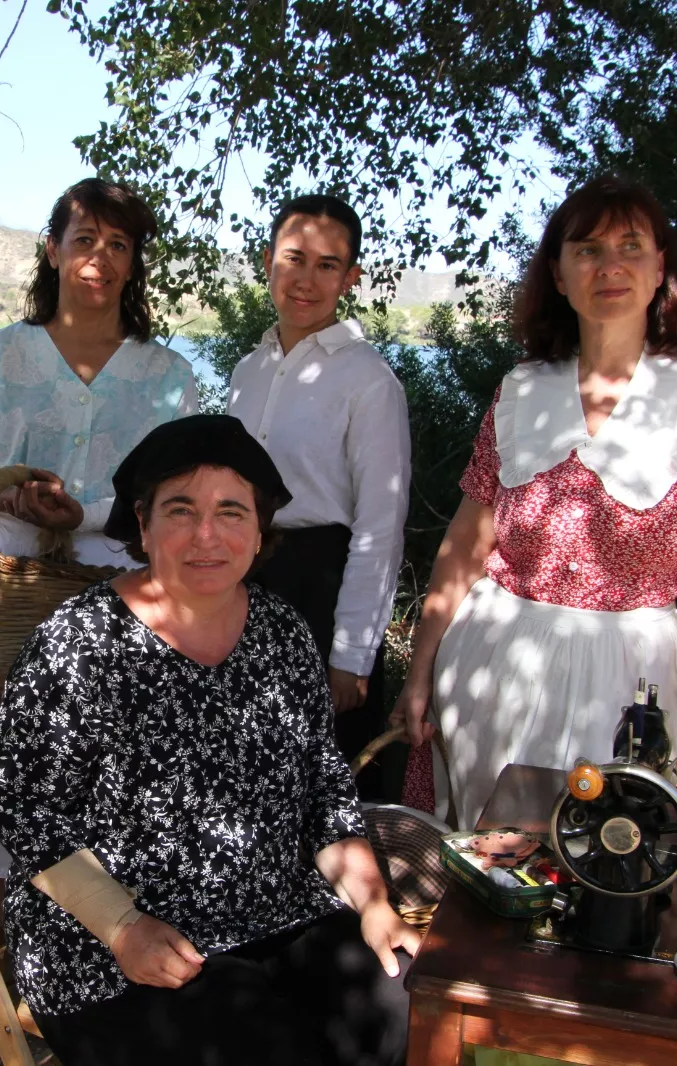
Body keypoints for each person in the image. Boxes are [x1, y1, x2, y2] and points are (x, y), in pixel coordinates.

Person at [0, 414, 416, 1066]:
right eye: (181, 510)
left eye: (232, 512)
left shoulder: (283, 634)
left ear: (260, 527)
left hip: (276, 913)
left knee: (400, 1004)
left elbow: (326, 792)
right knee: (271, 1050)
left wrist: (375, 903)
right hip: (114, 946)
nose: (207, 535)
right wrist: (124, 928)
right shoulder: (80, 641)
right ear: (143, 521)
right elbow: (23, 807)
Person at [390, 175, 677, 829]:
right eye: (588, 249)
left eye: (631, 246)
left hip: (630, 684)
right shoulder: (519, 390)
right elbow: (466, 544)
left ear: (660, 268)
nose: (611, 265)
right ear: (561, 275)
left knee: (612, 870)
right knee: (481, 878)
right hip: (492, 668)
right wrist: (420, 670)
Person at [0, 178, 196, 933]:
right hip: (7, 598)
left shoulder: (168, 377)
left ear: (134, 263)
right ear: (52, 250)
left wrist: (98, 513)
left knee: (104, 762)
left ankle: (99, 938)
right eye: (85, 240)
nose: (99, 259)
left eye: (119, 245)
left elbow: (185, 494)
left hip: (119, 588)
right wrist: (8, 497)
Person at [227, 194, 412, 800]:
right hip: (243, 583)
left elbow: (379, 526)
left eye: (328, 265)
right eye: (294, 258)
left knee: (323, 782)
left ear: (350, 277)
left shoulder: (368, 379)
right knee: (246, 771)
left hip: (321, 593)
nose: (307, 280)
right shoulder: (247, 370)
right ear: (267, 261)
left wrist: (353, 652)